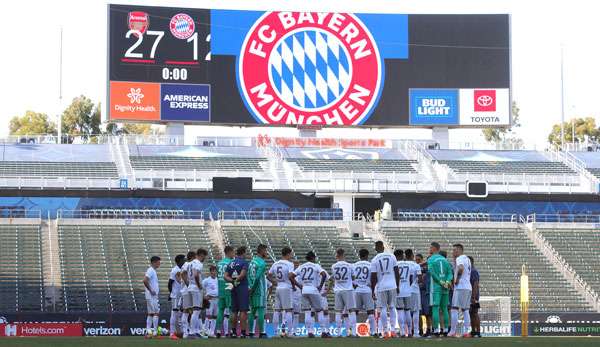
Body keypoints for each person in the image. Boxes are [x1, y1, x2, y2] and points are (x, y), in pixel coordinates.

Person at [290, 251, 329, 338]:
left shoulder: (301, 266)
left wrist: (299, 286)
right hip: (313, 289)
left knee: (307, 312)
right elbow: (324, 275)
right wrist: (320, 286)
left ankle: (310, 332)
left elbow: (291, 276)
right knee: (319, 311)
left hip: (304, 290)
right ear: (313, 258)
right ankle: (323, 331)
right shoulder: (316, 266)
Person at [370, 241, 399, 339]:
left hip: (381, 286)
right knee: (392, 307)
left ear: (375, 248)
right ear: (383, 247)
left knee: (382, 308)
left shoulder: (374, 260)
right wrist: (397, 285)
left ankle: (386, 331)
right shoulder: (392, 256)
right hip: (392, 285)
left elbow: (373, 277)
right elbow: (397, 272)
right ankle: (393, 331)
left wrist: (373, 289)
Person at [268, 246, 296, 337]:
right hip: (286, 287)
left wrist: (274, 282)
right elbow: (291, 276)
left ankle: (275, 332)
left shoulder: (275, 263)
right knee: (288, 310)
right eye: (291, 254)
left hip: (278, 287)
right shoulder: (289, 264)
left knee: (277, 310)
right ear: (288, 254)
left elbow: (268, 275)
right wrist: (294, 285)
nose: (291, 255)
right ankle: (290, 332)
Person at [427, 242, 453, 337]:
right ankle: (446, 330)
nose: (429, 249)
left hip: (436, 287)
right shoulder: (445, 260)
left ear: (434, 248)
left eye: (430, 247)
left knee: (435, 308)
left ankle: (436, 330)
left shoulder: (431, 259)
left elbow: (431, 272)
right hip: (445, 287)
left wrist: (440, 281)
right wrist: (447, 281)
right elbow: (450, 273)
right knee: (444, 308)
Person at [225, 246, 250, 338]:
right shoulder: (244, 262)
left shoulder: (231, 263)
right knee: (243, 310)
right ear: (243, 253)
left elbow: (225, 276)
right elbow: (243, 274)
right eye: (246, 253)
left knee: (234, 310)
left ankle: (233, 331)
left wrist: (232, 281)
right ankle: (243, 332)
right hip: (242, 287)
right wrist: (237, 281)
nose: (246, 254)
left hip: (233, 288)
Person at [331, 248, 357, 337]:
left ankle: (338, 333)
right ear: (343, 255)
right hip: (348, 289)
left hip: (338, 290)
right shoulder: (350, 265)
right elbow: (353, 278)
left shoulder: (333, 266)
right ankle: (353, 333)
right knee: (351, 310)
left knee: (338, 312)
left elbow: (333, 278)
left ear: (337, 255)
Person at [448, 244, 472, 338]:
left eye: (454, 250)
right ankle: (466, 332)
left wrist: (457, 279)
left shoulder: (460, 258)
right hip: (467, 287)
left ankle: (453, 331)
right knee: (465, 309)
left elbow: (461, 268)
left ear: (459, 250)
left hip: (461, 287)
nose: (453, 252)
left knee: (454, 308)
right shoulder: (467, 259)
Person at [353, 249, 376, 337]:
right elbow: (374, 278)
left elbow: (352, 278)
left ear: (359, 255)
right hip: (367, 289)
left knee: (355, 312)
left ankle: (354, 332)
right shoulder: (371, 265)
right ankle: (373, 332)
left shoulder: (354, 265)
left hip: (357, 290)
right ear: (367, 255)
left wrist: (355, 285)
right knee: (370, 311)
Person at [248, 244, 269, 338]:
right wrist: (253, 288)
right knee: (261, 311)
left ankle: (251, 333)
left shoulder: (252, 262)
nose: (266, 252)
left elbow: (249, 276)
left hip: (251, 288)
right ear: (261, 251)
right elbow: (257, 278)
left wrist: (250, 288)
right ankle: (262, 332)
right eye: (265, 251)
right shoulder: (262, 263)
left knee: (252, 311)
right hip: (259, 289)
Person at [215, 246, 235, 338]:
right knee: (231, 310)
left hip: (220, 288)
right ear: (229, 252)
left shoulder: (219, 263)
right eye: (233, 252)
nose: (234, 254)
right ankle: (230, 330)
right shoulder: (231, 263)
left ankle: (218, 330)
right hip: (229, 288)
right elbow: (233, 276)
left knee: (220, 310)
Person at [168, 254, 186, 339]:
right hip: (175, 295)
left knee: (180, 314)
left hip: (181, 295)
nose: (185, 261)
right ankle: (172, 333)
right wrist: (171, 293)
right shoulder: (174, 270)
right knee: (174, 313)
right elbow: (170, 283)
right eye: (183, 259)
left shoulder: (182, 269)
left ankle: (179, 332)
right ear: (179, 261)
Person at [394, 249, 411, 337]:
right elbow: (411, 278)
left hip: (398, 290)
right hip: (408, 290)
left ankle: (402, 332)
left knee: (400, 311)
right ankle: (410, 332)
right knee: (407, 311)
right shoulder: (408, 264)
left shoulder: (395, 265)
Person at [406, 249, 422, 337]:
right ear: (412, 256)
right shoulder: (416, 265)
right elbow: (420, 279)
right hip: (414, 289)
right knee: (416, 311)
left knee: (406, 311)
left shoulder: (401, 265)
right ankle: (416, 332)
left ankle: (407, 332)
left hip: (404, 290)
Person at [143, 256, 161, 338]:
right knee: (156, 313)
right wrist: (151, 290)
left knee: (150, 314)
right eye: (158, 262)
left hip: (150, 295)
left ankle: (149, 331)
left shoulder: (152, 270)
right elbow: (145, 280)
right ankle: (155, 332)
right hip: (152, 296)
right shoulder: (150, 270)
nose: (159, 264)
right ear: (154, 262)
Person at [180, 251, 196, 338]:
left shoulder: (186, 264)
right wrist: (188, 286)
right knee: (186, 311)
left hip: (185, 290)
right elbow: (183, 275)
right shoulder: (188, 264)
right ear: (193, 257)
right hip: (187, 291)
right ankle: (186, 332)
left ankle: (188, 331)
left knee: (189, 311)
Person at [416, 253, 432, 337]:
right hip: (418, 293)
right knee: (418, 313)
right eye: (416, 260)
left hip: (425, 293)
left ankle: (429, 329)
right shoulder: (415, 268)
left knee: (427, 313)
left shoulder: (427, 268)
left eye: (419, 260)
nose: (417, 261)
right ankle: (420, 330)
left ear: (422, 260)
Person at [202, 265, 219, 337]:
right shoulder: (206, 280)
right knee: (208, 316)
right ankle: (205, 330)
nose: (214, 272)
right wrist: (204, 296)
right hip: (210, 300)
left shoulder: (218, 280)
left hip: (217, 299)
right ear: (210, 272)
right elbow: (200, 288)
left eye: (215, 271)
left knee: (215, 316)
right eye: (212, 271)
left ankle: (212, 332)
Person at [468, 256, 481, 338]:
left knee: (475, 313)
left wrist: (473, 297)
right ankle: (473, 331)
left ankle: (478, 332)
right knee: (471, 313)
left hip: (473, 296)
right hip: (470, 295)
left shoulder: (474, 271)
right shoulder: (470, 271)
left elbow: (475, 284)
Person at [291, 260, 302, 337]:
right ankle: (286, 330)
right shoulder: (290, 273)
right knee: (288, 312)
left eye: (297, 264)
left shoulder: (301, 273)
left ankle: (294, 331)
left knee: (296, 314)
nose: (296, 265)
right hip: (290, 294)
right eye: (295, 264)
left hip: (298, 295)